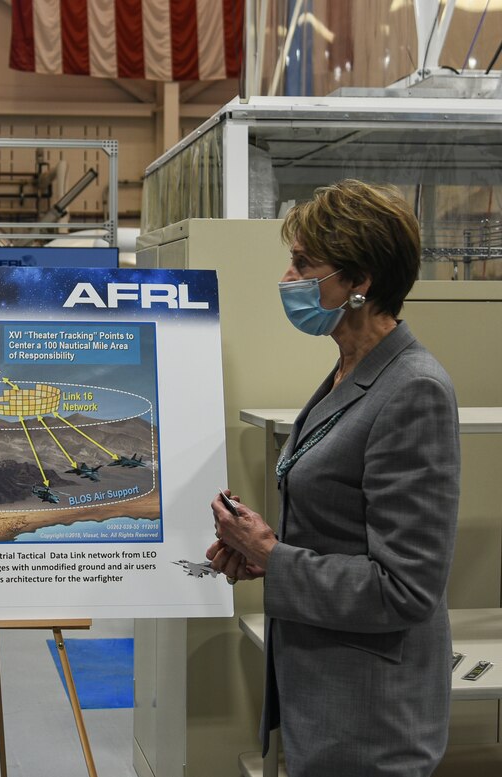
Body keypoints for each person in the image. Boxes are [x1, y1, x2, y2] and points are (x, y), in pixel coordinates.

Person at [207, 179, 460, 776]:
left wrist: (272, 555)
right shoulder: (353, 373)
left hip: (372, 716)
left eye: (303, 264)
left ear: (358, 281)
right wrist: (267, 551)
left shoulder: (413, 390)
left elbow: (405, 588)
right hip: (326, 695)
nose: (287, 278)